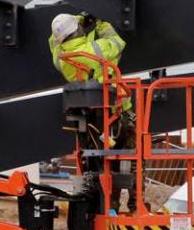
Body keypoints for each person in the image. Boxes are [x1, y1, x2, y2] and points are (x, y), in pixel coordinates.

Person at [49, 12, 134, 149]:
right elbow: (117, 42)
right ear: (77, 29)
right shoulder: (94, 50)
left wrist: (79, 20)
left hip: (85, 103)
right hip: (113, 103)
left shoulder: (59, 57)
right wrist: (101, 24)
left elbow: (53, 41)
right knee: (129, 129)